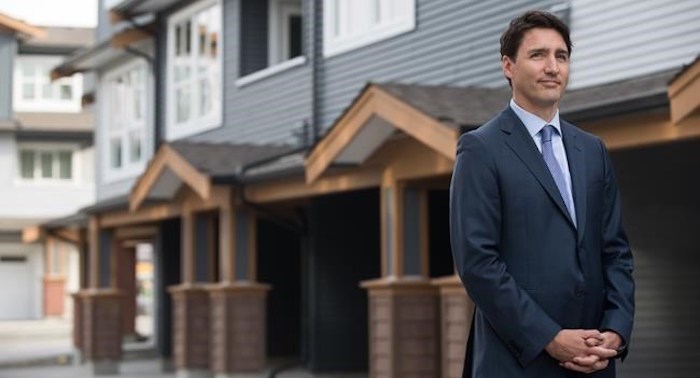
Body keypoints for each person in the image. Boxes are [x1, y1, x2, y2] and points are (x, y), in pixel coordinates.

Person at [449, 10, 634, 378]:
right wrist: (549, 336)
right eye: (538, 55)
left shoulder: (592, 150)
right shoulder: (480, 149)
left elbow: (615, 251)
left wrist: (616, 329)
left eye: (561, 56)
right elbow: (478, 263)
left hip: (593, 361)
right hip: (517, 361)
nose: (552, 67)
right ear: (508, 66)